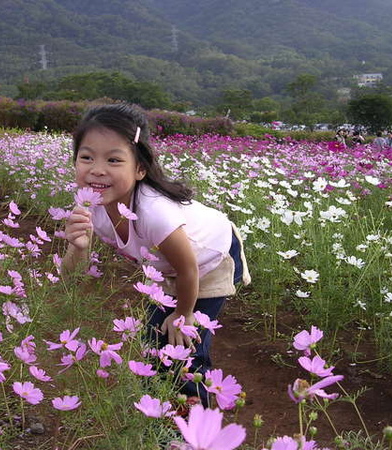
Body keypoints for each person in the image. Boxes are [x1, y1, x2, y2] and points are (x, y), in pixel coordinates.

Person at [62, 103, 251, 406]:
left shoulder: (154, 213)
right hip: (171, 267)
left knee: (185, 347)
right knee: (154, 340)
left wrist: (184, 314)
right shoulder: (91, 206)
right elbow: (70, 278)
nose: (97, 169)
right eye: (86, 157)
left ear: (140, 169)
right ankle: (159, 409)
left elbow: (189, 269)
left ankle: (191, 425)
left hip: (210, 258)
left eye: (113, 159)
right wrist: (77, 246)